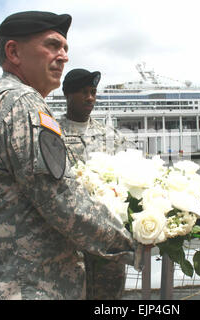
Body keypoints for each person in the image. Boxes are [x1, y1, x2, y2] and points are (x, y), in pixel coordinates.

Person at [0, 11, 139, 300]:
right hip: (21, 286)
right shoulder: (23, 104)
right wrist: (132, 241)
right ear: (13, 52)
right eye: (52, 45)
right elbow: (62, 200)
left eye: (65, 49)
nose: (63, 56)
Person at [59, 68, 136, 299]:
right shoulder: (51, 134)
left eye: (93, 92)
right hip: (66, 243)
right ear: (67, 95)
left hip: (106, 241)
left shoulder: (111, 136)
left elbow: (127, 182)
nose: (90, 97)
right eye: (83, 92)